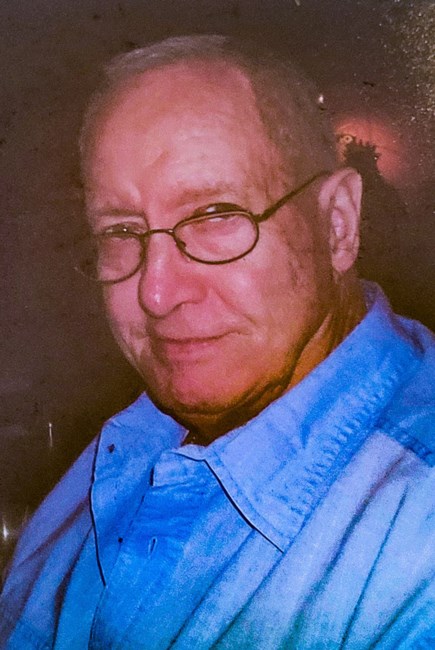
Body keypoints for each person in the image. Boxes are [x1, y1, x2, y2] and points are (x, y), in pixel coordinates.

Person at [0, 34, 434, 649]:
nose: (156, 294)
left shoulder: (414, 545)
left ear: (337, 224)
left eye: (214, 217)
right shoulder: (131, 440)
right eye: (121, 231)